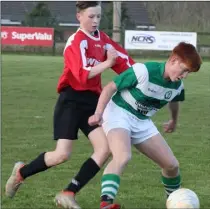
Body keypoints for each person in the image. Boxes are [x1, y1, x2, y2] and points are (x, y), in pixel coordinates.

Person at [5, 1, 135, 209]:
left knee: (105, 149)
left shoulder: (103, 40)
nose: (95, 21)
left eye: (99, 17)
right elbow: (82, 76)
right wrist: (107, 64)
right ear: (79, 17)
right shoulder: (75, 42)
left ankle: (68, 192)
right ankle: (21, 172)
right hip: (71, 100)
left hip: (92, 101)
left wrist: (142, 77)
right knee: (62, 155)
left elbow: (126, 63)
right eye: (91, 16)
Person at [88, 42, 202, 209]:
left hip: (141, 121)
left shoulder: (177, 86)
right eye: (184, 70)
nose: (184, 76)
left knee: (172, 165)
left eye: (188, 73)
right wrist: (98, 113)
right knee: (122, 156)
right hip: (119, 113)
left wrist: (173, 121)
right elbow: (110, 88)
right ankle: (106, 203)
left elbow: (175, 102)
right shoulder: (144, 70)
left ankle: (175, 201)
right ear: (174, 60)